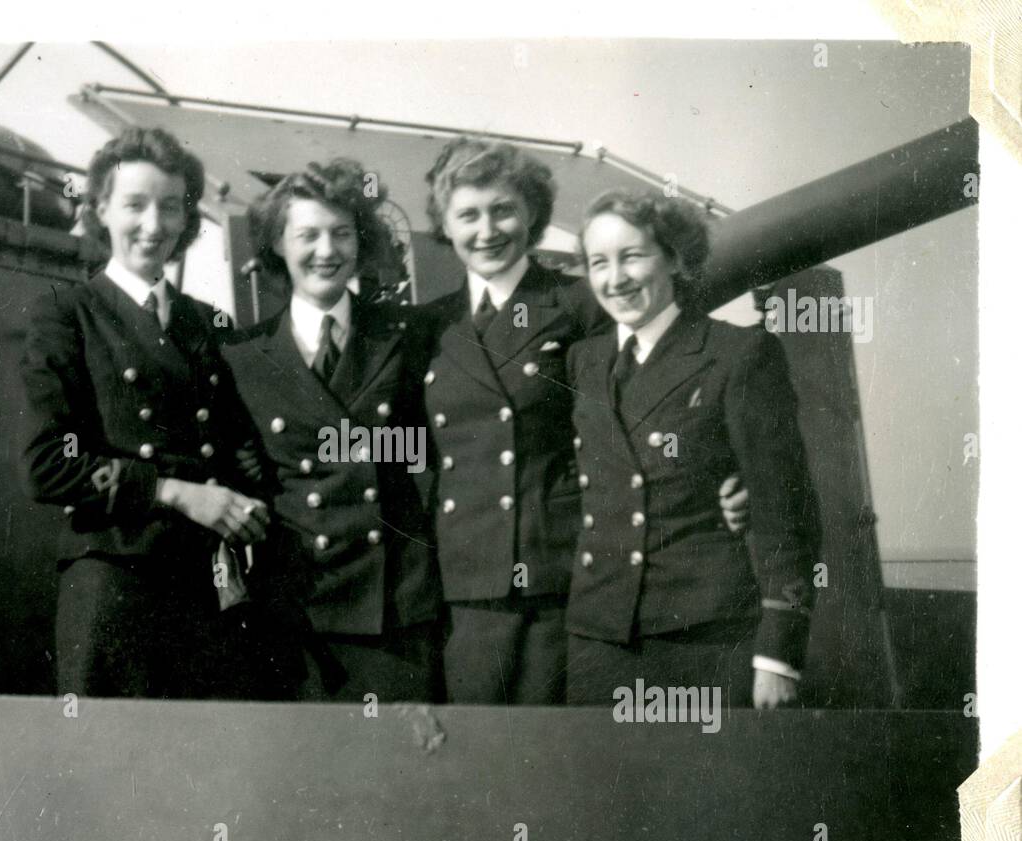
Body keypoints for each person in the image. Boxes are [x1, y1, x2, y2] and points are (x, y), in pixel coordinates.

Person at [419, 137, 748, 705]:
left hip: (564, 575)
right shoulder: (425, 326)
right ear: (445, 226)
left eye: (504, 209)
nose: (487, 230)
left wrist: (729, 475)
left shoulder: (582, 304)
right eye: (468, 215)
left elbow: (673, 386)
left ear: (534, 217)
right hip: (465, 583)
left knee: (560, 760)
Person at [19, 126, 270, 699]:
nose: (153, 226)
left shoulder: (205, 322)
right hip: (114, 590)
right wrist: (178, 493)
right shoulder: (65, 315)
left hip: (208, 593)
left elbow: (241, 447)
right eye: (134, 204)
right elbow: (45, 464)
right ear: (102, 208)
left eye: (170, 208)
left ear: (187, 220)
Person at [565, 189, 822, 709]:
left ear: (676, 258)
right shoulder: (582, 362)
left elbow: (785, 510)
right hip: (598, 638)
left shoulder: (737, 353)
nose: (615, 279)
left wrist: (778, 654)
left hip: (703, 634)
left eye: (633, 256)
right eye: (599, 263)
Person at [221, 159, 443, 702]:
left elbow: (429, 453)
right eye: (308, 235)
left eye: (342, 233)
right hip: (297, 610)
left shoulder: (409, 336)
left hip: (392, 605)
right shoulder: (242, 356)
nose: (327, 251)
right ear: (276, 243)